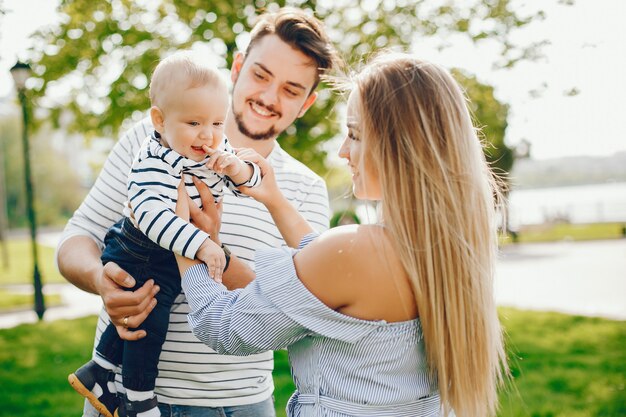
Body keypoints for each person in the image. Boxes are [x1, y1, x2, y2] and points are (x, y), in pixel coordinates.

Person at [174, 53, 508, 417]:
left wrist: (184, 240)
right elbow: (327, 264)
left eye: (354, 134)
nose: (343, 151)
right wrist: (273, 199)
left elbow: (222, 326)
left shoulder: (354, 252)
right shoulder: (444, 250)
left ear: (400, 146)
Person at [56, 8, 339, 417]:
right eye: (261, 75)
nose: (268, 97)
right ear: (237, 67)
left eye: (291, 90)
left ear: (307, 103)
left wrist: (211, 251)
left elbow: (299, 310)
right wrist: (101, 280)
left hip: (240, 404)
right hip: (122, 397)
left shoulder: (304, 190)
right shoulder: (151, 136)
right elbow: (77, 237)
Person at [67, 51, 262, 417]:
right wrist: (202, 244)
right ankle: (138, 398)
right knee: (149, 323)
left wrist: (237, 169)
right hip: (137, 249)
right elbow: (151, 215)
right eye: (194, 123)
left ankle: (98, 371)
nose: (208, 134)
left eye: (218, 123)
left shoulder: (211, 149)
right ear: (159, 120)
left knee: (148, 308)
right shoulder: (154, 158)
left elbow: (248, 184)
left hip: (165, 254)